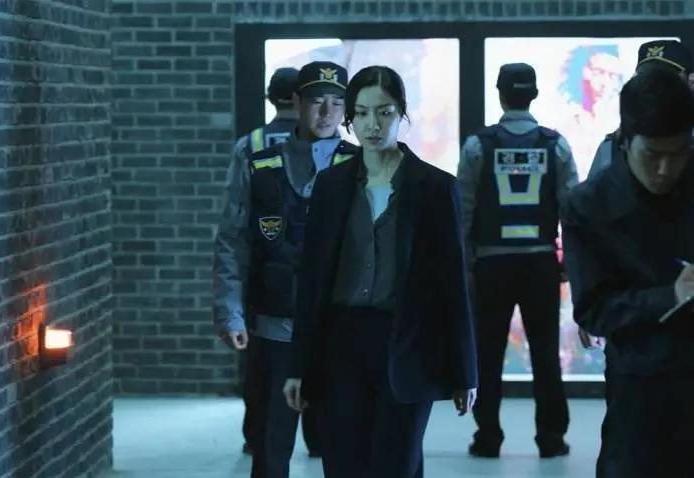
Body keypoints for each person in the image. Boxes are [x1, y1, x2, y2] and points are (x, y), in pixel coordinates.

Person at [282, 65, 478, 478]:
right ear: (350, 118)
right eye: (363, 113)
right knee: (343, 467)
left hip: (407, 343)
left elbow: (452, 285)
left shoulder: (435, 187)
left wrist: (465, 372)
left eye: (384, 112)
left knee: (397, 466)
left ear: (402, 113)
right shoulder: (331, 185)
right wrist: (297, 366)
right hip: (340, 347)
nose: (373, 125)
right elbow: (311, 281)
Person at [212, 60, 356, 478]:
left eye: (336, 103)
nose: (326, 112)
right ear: (296, 101)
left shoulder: (361, 164)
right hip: (276, 325)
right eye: (316, 101)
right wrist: (230, 312)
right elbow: (232, 239)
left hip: (340, 328)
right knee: (271, 446)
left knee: (344, 447)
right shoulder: (258, 161)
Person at [561, 66, 694, 478]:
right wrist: (671, 295)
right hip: (642, 391)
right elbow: (593, 310)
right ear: (624, 140)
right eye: (652, 156)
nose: (665, 169)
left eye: (679, 153)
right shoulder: (588, 206)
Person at [457, 63, 578, 458]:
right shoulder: (556, 145)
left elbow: (464, 212)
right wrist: (569, 262)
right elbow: (572, 211)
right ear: (534, 94)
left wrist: (466, 263)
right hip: (540, 263)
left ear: (500, 95)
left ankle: (487, 437)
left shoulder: (478, 146)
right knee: (545, 354)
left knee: (488, 353)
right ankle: (552, 439)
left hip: (491, 265)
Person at [230, 67, 301, 456]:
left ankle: (256, 438)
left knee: (261, 371)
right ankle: (318, 438)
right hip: (309, 271)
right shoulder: (329, 144)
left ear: (271, 98)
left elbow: (236, 218)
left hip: (263, 275)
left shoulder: (251, 144)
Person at [587, 40, 693, 178]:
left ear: (690, 82)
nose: (655, 88)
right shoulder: (614, 146)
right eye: (647, 78)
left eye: (666, 80)